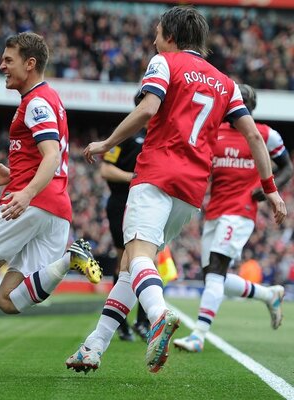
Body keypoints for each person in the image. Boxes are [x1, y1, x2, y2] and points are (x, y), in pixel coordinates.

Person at [66, 6, 287, 375]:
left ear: (169, 35)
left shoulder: (164, 62)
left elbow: (148, 108)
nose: (154, 40)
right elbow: (253, 136)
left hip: (156, 174)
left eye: (156, 34)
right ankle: (94, 346)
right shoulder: (226, 83)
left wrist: (107, 143)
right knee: (128, 268)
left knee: (137, 256)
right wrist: (272, 189)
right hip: (191, 190)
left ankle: (157, 314)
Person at [0, 32, 102, 376]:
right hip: (56, 208)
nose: (1, 66)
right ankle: (70, 259)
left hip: (30, 202)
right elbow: (45, 157)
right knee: (9, 300)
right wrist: (13, 174)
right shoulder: (50, 99)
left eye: (8, 60)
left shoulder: (37, 102)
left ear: (30, 64)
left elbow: (52, 155)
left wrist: (24, 191)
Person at [173, 84, 293, 353]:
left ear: (250, 106)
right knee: (213, 278)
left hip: (241, 212)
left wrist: (268, 189)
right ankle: (268, 294)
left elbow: (287, 167)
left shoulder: (264, 134)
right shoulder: (214, 133)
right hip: (214, 211)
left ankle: (198, 334)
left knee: (215, 271)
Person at [100, 94, 149, 342]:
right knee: (125, 261)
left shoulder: (160, 135)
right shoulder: (126, 133)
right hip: (122, 202)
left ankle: (143, 321)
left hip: (147, 202)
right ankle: (120, 322)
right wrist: (134, 177)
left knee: (147, 260)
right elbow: (105, 169)